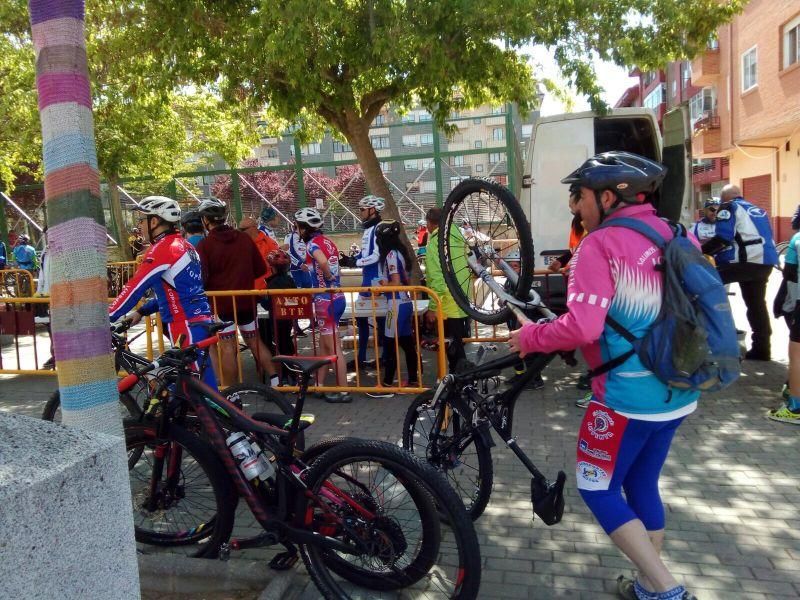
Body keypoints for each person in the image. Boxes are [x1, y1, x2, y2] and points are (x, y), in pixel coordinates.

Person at [508, 152, 700, 600]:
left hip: (626, 398)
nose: (575, 206)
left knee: (596, 486)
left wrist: (531, 338)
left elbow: (584, 327)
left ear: (609, 197)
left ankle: (670, 591)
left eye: (580, 196)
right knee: (640, 483)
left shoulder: (600, 245)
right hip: (680, 388)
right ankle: (648, 589)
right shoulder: (675, 232)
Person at [108, 196, 218, 389]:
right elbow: (176, 292)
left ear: (155, 221)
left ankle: (223, 418)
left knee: (198, 391)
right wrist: (142, 311)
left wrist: (107, 317)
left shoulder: (163, 249)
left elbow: (135, 287)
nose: (139, 226)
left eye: (142, 220)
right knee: (190, 386)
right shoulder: (185, 246)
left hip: (185, 324)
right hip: (196, 321)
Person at [196, 199, 277, 388]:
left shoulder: (205, 245)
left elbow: (202, 278)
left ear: (206, 220)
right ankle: (276, 380)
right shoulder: (244, 239)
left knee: (227, 347)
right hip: (247, 301)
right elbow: (260, 269)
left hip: (221, 304)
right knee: (255, 341)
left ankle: (231, 392)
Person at [701, 184, 778, 360]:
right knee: (756, 304)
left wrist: (698, 252)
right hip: (765, 263)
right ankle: (762, 349)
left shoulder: (729, 207)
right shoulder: (758, 209)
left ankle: (715, 340)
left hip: (744, 262)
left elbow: (722, 239)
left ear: (725, 198)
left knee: (703, 285)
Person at [294, 207, 351, 403]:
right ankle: (319, 385)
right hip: (337, 298)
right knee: (325, 347)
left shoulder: (312, 244)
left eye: (298, 227)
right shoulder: (328, 241)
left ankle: (344, 391)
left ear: (304, 228)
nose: (297, 231)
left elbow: (323, 261)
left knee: (334, 349)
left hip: (325, 301)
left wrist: (327, 276)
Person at [368, 220, 420, 398]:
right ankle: (413, 379)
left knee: (390, 344)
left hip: (396, 304)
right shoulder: (400, 252)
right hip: (405, 304)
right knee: (406, 343)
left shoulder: (390, 255)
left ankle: (387, 385)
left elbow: (396, 283)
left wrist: (382, 286)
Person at [424, 207, 471, 371]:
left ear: (430, 223)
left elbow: (437, 279)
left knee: (453, 348)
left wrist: (432, 307)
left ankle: (463, 382)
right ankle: (462, 380)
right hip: (462, 298)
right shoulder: (457, 238)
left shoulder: (434, 244)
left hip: (447, 303)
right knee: (457, 344)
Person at [351, 195, 386, 371]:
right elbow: (365, 254)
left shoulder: (380, 228)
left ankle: (385, 358)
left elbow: (377, 256)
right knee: (361, 319)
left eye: (363, 209)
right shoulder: (368, 229)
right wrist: (352, 258)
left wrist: (356, 262)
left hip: (377, 281)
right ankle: (361, 357)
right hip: (367, 280)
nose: (360, 212)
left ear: (372, 210)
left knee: (381, 321)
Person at [503, 250, 544, 390]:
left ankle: (536, 379)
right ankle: (519, 374)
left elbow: (529, 301)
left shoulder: (526, 281)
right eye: (510, 266)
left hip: (526, 320)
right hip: (513, 320)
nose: (513, 269)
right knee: (515, 349)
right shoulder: (509, 281)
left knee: (529, 351)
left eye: (516, 266)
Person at [261, 250, 297, 384]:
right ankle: (293, 374)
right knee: (287, 342)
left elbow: (267, 305)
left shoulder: (270, 284)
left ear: (272, 267)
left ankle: (284, 375)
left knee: (278, 346)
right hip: (288, 319)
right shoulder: (290, 281)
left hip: (276, 320)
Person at [283, 223, 310, 337]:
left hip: (306, 270)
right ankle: (295, 326)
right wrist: (299, 264)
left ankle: (313, 321)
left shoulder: (307, 237)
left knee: (310, 295)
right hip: (295, 272)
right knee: (295, 299)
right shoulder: (289, 237)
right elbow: (288, 253)